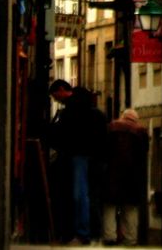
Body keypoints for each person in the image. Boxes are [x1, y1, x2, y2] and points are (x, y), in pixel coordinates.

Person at [50, 79, 108, 245]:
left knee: (79, 195)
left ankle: (82, 232)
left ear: (62, 90)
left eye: (55, 95)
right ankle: (92, 232)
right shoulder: (95, 111)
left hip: (78, 155)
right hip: (96, 158)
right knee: (91, 196)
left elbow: (63, 135)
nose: (56, 100)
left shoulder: (70, 111)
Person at [101, 109, 148, 246]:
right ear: (135, 120)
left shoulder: (111, 127)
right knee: (130, 209)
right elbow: (143, 155)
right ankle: (130, 239)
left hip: (112, 175)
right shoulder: (141, 132)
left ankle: (110, 237)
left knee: (109, 207)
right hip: (132, 178)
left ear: (123, 117)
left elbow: (103, 151)